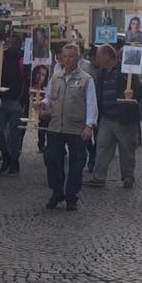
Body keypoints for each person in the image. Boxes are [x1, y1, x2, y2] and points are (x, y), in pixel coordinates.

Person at [41, 43, 97, 211]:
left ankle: (72, 195)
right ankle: (57, 191)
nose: (67, 60)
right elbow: (49, 98)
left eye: (71, 56)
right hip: (56, 126)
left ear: (78, 58)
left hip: (76, 127)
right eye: (65, 57)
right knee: (51, 159)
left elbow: (91, 103)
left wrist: (89, 125)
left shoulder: (86, 79)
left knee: (77, 163)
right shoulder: (56, 77)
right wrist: (42, 105)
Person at [84, 45, 142, 189]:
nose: (97, 59)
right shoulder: (102, 72)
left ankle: (128, 177)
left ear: (106, 56)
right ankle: (99, 177)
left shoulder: (126, 71)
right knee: (102, 147)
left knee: (126, 149)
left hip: (124, 118)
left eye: (98, 56)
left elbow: (139, 90)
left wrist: (132, 93)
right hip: (107, 117)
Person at [0, 35, 29, 174]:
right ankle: (7, 156)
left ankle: (13, 160)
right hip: (1, 99)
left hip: (15, 100)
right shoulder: (2, 57)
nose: (14, 45)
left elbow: (27, 79)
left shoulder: (23, 59)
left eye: (16, 42)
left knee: (14, 134)